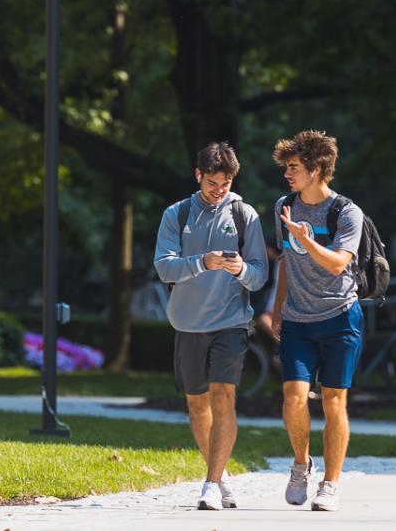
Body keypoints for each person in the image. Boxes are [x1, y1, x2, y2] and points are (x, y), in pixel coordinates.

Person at [152, 142, 268, 511]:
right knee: (197, 403)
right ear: (198, 175)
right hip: (187, 323)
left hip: (231, 322)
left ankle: (211, 483)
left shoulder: (245, 214)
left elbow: (260, 275)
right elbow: (164, 266)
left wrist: (240, 270)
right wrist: (205, 261)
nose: (220, 189)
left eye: (227, 182)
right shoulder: (177, 213)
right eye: (213, 182)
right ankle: (219, 474)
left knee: (224, 397)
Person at [257, 129, 367, 513]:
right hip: (299, 322)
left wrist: (308, 241)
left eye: (294, 167)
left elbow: (338, 264)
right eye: (287, 167)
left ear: (317, 169)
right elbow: (287, 259)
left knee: (335, 402)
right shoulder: (284, 206)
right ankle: (302, 463)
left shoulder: (346, 212)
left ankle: (331, 485)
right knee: (293, 398)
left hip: (340, 318)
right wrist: (280, 306)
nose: (287, 174)